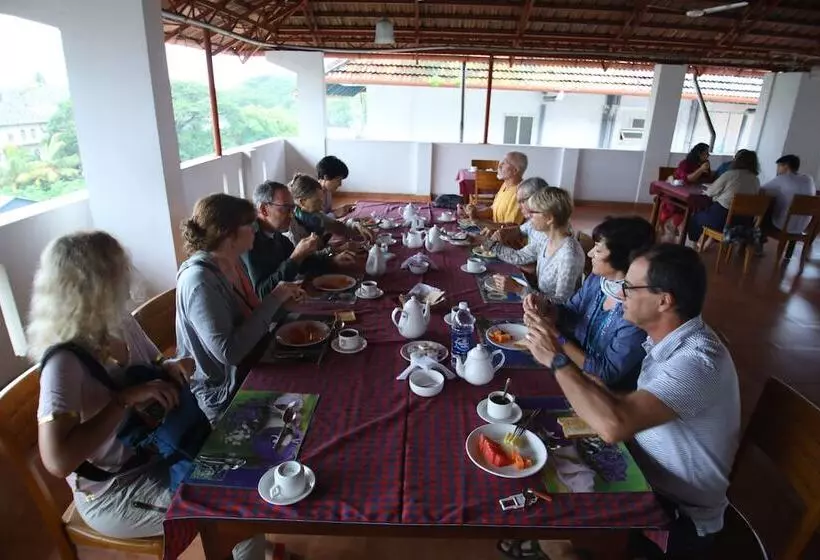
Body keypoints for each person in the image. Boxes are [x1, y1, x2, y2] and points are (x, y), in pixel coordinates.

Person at [29, 231, 264, 559]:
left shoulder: (121, 323)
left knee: (251, 467)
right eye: (119, 272)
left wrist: (171, 367)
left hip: (163, 451)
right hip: (116, 489)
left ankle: (245, 550)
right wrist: (124, 399)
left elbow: (155, 364)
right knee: (236, 505)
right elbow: (57, 461)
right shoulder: (64, 362)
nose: (128, 279)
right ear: (94, 286)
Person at [525, 244, 740, 558]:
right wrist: (588, 383)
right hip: (643, 472)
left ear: (664, 300)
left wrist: (558, 361)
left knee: (551, 521)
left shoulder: (697, 360)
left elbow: (614, 426)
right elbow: (629, 406)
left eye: (629, 286)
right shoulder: (665, 339)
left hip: (676, 514)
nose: (620, 292)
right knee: (539, 462)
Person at [176, 194, 305, 423]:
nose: (255, 229)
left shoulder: (230, 262)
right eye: (250, 224)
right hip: (225, 393)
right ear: (228, 234)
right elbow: (230, 353)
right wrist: (275, 298)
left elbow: (252, 319)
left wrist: (283, 306)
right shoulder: (200, 281)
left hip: (253, 361)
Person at [551, 217, 655, 391]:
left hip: (607, 393)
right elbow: (570, 313)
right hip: (575, 371)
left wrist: (557, 338)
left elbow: (607, 373)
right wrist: (547, 309)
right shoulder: (597, 280)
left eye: (598, 250)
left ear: (621, 257)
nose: (590, 253)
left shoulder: (636, 310)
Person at [243, 180, 357, 298]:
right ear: (263, 209)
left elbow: (303, 264)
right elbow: (263, 293)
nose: (291, 215)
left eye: (292, 209)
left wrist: (332, 261)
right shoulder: (249, 241)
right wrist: (296, 256)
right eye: (286, 208)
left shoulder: (275, 234)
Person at [487, 186, 585, 305]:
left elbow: (562, 304)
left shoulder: (569, 256)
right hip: (536, 301)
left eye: (533, 213)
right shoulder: (546, 238)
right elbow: (519, 257)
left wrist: (519, 289)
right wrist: (489, 243)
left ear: (549, 218)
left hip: (551, 316)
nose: (528, 216)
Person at [687, 149, 760, 244]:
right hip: (744, 222)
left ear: (737, 160)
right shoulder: (756, 180)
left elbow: (710, 192)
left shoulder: (730, 174)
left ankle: (697, 244)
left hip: (723, 220)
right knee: (708, 214)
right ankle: (705, 242)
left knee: (696, 217)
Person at [289, 173, 374, 245]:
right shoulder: (295, 226)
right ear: (302, 202)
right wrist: (333, 250)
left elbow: (337, 226)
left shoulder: (313, 214)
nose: (322, 205)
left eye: (321, 199)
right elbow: (309, 256)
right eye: (317, 201)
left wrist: (355, 225)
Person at [660, 143, 712, 239]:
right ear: (698, 154)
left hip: (696, 191)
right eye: (705, 153)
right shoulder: (685, 163)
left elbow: (707, 179)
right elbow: (687, 179)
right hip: (678, 191)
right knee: (684, 204)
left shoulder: (705, 164)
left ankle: (692, 232)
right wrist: (700, 170)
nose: (708, 156)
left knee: (704, 205)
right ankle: (672, 224)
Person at [464, 151, 527, 225]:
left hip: (501, 235)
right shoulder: (505, 184)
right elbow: (493, 209)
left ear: (515, 170)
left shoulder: (520, 194)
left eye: (504, 163)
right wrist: (475, 213)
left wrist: (478, 220)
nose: (499, 165)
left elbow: (509, 228)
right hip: (492, 230)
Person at [761, 154, 817, 234]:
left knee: (761, 216)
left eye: (779, 166)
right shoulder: (809, 179)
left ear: (786, 166)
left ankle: (756, 243)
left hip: (782, 226)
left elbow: (760, 189)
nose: (777, 169)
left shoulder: (782, 178)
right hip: (802, 227)